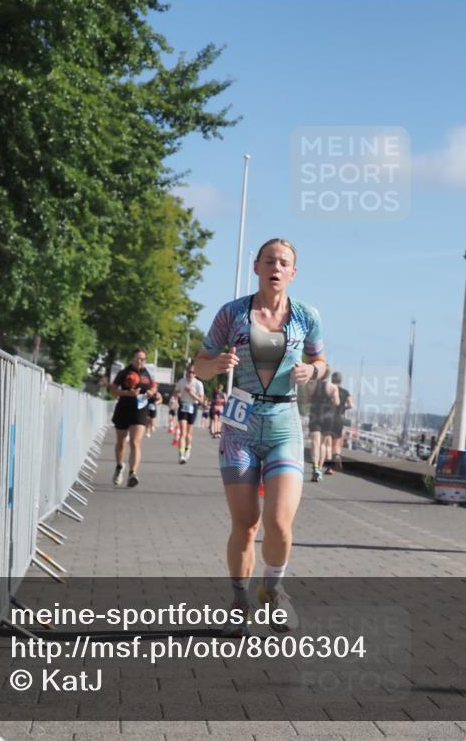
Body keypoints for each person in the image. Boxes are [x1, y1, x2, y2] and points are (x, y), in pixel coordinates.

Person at [193, 237, 325, 635]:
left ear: (293, 272)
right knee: (247, 524)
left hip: (284, 421)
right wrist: (214, 364)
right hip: (239, 425)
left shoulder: (306, 316)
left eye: (284, 262)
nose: (276, 267)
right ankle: (238, 600)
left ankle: (273, 590)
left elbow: (320, 359)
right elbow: (198, 367)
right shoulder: (232, 313)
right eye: (269, 260)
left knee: (280, 523)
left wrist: (312, 372)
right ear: (256, 266)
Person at [109, 349, 159, 487]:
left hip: (140, 409)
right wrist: (126, 393)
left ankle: (133, 473)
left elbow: (154, 386)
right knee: (121, 442)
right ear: (133, 358)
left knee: (135, 442)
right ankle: (119, 467)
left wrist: (151, 392)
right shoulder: (124, 372)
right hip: (124, 408)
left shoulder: (148, 373)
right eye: (138, 358)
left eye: (142, 359)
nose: (140, 361)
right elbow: (112, 389)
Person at [307, 370, 338, 481]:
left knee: (315, 443)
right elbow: (336, 402)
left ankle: (315, 468)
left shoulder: (312, 384)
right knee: (323, 445)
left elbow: (307, 399)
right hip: (328, 417)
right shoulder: (333, 387)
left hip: (315, 415)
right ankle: (319, 468)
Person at [173, 365, 205, 463]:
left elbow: (201, 400)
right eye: (189, 372)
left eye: (193, 372)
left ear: (196, 374)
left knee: (188, 434)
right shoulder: (181, 381)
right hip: (183, 405)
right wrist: (178, 395)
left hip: (193, 406)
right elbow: (175, 393)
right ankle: (181, 455)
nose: (190, 374)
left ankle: (188, 448)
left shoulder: (198, 384)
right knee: (183, 432)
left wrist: (191, 393)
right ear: (186, 372)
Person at [327, 372, 353, 473]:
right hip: (339, 419)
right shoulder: (345, 392)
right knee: (336, 444)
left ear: (332, 379)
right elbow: (351, 405)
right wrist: (343, 408)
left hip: (328, 419)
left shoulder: (328, 390)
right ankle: (337, 457)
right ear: (341, 380)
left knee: (327, 445)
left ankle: (328, 467)